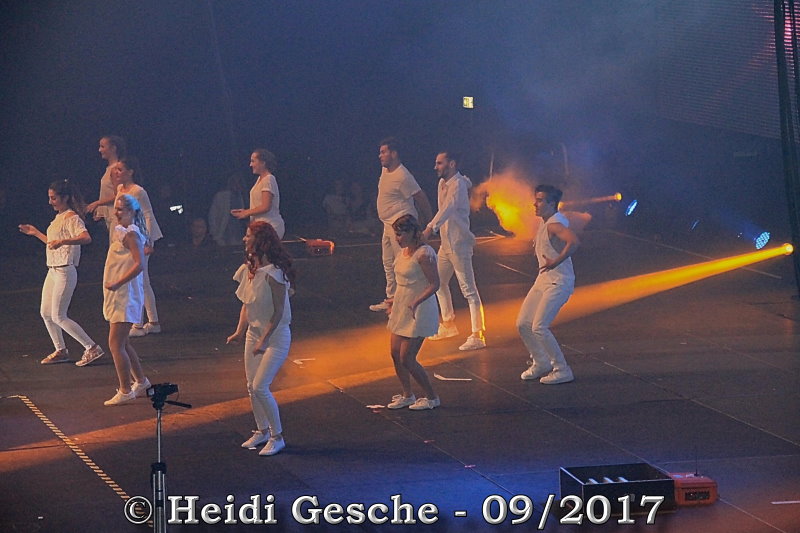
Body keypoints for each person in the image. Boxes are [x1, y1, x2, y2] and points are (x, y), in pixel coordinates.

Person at [18, 180, 105, 367]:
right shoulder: (59, 218)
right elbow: (53, 243)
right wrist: (36, 233)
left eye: (54, 198)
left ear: (65, 198)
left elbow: (85, 238)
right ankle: (61, 350)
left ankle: (92, 347)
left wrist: (64, 241)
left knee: (59, 315)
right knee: (46, 313)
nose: (50, 202)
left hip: (65, 270)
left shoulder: (72, 218)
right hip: (53, 269)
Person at [227, 221, 295, 456]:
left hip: (275, 337)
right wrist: (239, 331)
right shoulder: (249, 269)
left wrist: (264, 339)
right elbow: (247, 304)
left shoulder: (274, 274)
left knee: (260, 386)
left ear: (260, 241)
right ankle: (262, 430)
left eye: (248, 236)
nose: (244, 239)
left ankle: (277, 436)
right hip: (253, 334)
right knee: (250, 386)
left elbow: (279, 312)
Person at [422, 151, 486, 351]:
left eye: (439, 163)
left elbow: (447, 208)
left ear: (452, 164)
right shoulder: (442, 183)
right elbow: (444, 210)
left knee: (469, 290)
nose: (435, 167)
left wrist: (429, 228)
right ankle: (448, 324)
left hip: (459, 244)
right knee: (438, 282)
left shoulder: (457, 185)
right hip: (446, 244)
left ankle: (478, 335)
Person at [517, 184, 580, 384]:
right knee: (523, 323)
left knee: (539, 326)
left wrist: (556, 261)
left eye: (540, 200)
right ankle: (541, 362)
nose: (535, 204)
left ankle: (562, 369)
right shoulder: (547, 222)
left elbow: (574, 241)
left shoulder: (554, 225)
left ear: (552, 204)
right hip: (544, 280)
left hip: (559, 282)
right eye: (536, 199)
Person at [384, 214, 440, 410]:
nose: (397, 239)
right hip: (402, 306)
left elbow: (434, 284)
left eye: (400, 234)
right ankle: (407, 394)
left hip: (419, 309)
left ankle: (432, 397)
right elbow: (405, 281)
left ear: (412, 233)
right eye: (396, 234)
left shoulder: (424, 254)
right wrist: (394, 300)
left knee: (407, 358)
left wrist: (416, 301)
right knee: (394, 353)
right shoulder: (403, 252)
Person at [370, 138, 432, 312]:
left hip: (400, 224)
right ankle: (392, 299)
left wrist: (430, 222)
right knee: (388, 262)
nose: (380, 155)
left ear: (394, 154)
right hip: (387, 224)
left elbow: (420, 196)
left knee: (403, 263)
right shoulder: (385, 170)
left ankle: (406, 302)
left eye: (384, 152)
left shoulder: (403, 176)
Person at [105, 157, 164, 337]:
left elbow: (147, 215)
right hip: (126, 238)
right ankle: (146, 321)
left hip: (138, 237)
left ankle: (146, 322)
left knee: (141, 280)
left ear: (130, 172)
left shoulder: (138, 191)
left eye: (120, 169)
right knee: (136, 279)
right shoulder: (120, 189)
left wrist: (148, 241)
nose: (117, 173)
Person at [102, 194, 151, 405]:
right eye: (116, 208)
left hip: (126, 294)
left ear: (132, 211)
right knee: (123, 342)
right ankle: (141, 381)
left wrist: (118, 283)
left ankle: (125, 390)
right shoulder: (122, 231)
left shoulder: (131, 234)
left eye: (121, 209)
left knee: (115, 344)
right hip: (119, 293)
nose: (116, 212)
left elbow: (139, 264)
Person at [231, 149, 285, 239]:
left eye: (253, 161)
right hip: (260, 226)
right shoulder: (260, 179)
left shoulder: (268, 179)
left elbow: (265, 207)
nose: (250, 164)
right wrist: (245, 211)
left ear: (263, 163)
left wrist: (247, 212)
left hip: (269, 226)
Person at [86, 135, 126, 242]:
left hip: (117, 215)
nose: (100, 150)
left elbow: (119, 195)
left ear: (113, 148)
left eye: (103, 147)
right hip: (111, 216)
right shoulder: (109, 169)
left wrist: (98, 203)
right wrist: (101, 210)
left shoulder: (116, 169)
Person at [208, 172, 247, 246]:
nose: (237, 185)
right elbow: (212, 216)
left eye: (239, 182)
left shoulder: (243, 197)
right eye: (234, 182)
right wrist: (214, 233)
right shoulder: (221, 197)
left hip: (238, 235)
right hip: (222, 234)